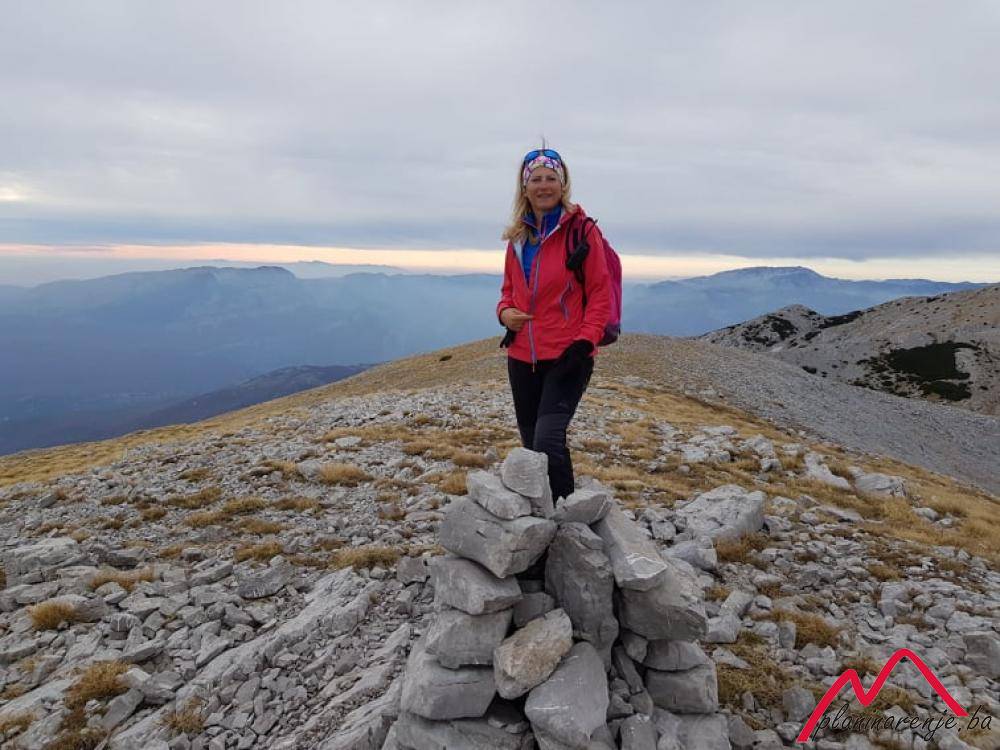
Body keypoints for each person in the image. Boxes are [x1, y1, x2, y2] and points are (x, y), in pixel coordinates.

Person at [496, 147, 611, 502]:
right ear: (524, 187)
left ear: (563, 185)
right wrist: (504, 313)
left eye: (551, 178)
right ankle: (540, 514)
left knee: (548, 440)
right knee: (532, 445)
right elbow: (507, 291)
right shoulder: (518, 237)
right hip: (522, 356)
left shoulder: (582, 232)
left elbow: (600, 292)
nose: (544, 185)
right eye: (536, 179)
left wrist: (584, 342)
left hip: (567, 355)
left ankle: (565, 515)